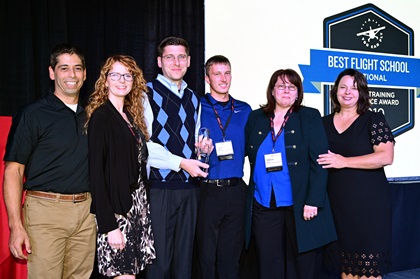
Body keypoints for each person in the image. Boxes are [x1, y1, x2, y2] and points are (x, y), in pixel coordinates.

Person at [2, 43, 96, 278]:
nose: (71, 75)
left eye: (77, 68)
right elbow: (13, 170)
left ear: (85, 74)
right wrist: (16, 226)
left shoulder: (94, 115)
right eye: (64, 68)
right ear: (52, 73)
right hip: (45, 213)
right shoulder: (33, 114)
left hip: (86, 213)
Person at [244, 68, 337, 279]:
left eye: (292, 86)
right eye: (281, 86)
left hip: (300, 205)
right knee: (268, 264)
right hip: (264, 204)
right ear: (272, 91)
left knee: (300, 266)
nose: (286, 90)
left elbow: (320, 162)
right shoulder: (256, 117)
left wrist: (314, 201)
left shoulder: (309, 117)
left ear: (298, 92)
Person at [318, 68, 395, 279]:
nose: (348, 92)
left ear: (362, 92)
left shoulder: (374, 119)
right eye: (343, 87)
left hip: (370, 207)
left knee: (369, 270)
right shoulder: (322, 123)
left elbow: (385, 157)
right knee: (347, 269)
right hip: (338, 207)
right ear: (335, 92)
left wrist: (343, 162)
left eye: (354, 87)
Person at [143, 36, 209, 279]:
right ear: (159, 61)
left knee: (184, 263)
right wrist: (181, 163)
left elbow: (192, 139)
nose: (176, 62)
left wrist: (202, 148)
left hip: (189, 188)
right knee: (159, 262)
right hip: (160, 189)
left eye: (181, 56)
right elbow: (144, 146)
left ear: (190, 61)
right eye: (169, 57)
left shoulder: (193, 98)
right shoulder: (145, 93)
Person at [85, 55, 156, 278]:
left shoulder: (130, 118)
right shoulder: (101, 118)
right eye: (115, 75)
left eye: (127, 75)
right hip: (117, 213)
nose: (122, 80)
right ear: (105, 80)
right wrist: (109, 225)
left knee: (130, 274)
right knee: (124, 274)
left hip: (136, 209)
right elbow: (96, 175)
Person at [196, 55, 252, 279]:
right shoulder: (197, 106)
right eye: (217, 73)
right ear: (207, 78)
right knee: (205, 258)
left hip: (236, 190)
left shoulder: (244, 109)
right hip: (207, 190)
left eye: (227, 73)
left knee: (231, 258)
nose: (223, 78)